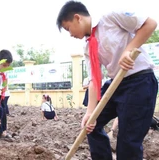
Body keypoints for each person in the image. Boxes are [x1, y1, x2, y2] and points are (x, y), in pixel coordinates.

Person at [57, 1, 158, 160]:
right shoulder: (88, 47)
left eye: (68, 28)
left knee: (127, 143)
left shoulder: (110, 17)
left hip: (140, 82)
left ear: (77, 18)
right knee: (91, 126)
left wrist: (128, 50)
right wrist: (90, 113)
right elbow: (94, 81)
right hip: (116, 84)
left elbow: (150, 23)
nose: (70, 34)